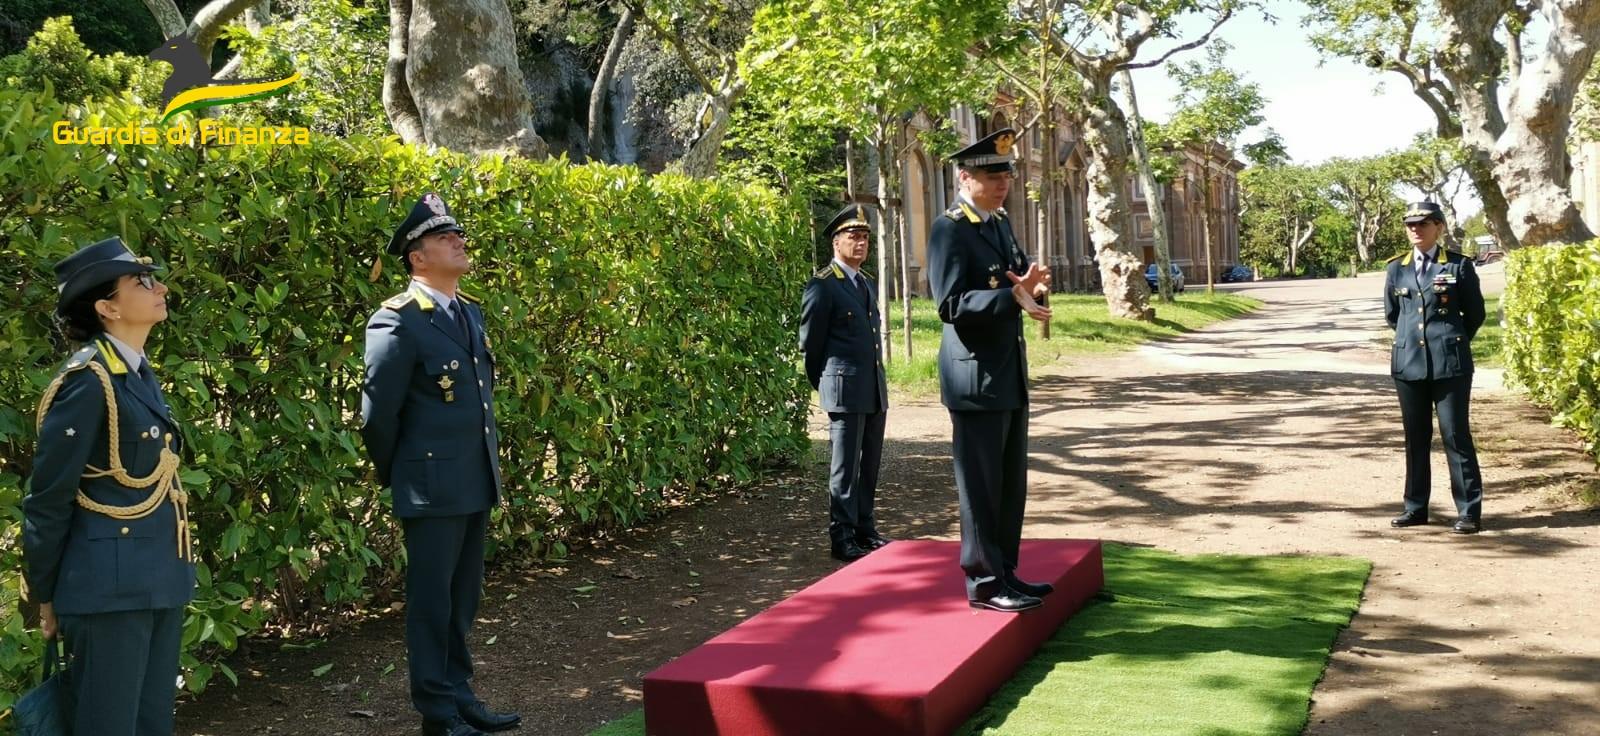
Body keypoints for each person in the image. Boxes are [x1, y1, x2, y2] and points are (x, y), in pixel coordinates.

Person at [22, 236, 196, 735]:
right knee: (109, 725)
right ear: (107, 308)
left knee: (150, 723)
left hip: (156, 578)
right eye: (141, 281)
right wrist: (44, 595)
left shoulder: (134, 372)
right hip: (107, 587)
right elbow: (49, 498)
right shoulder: (87, 380)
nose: (159, 287)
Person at [361, 193, 521, 736]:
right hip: (429, 486)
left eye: (458, 234)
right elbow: (378, 414)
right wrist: (403, 474)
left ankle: (460, 695)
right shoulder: (398, 321)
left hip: (473, 480)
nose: (459, 241)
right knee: (431, 605)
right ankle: (437, 711)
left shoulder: (467, 311)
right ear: (417, 257)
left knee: (462, 600)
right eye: (443, 237)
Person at [926, 128, 1055, 613]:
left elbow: (1018, 280)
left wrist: (1033, 288)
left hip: (1007, 373)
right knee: (980, 487)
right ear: (964, 177)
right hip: (974, 378)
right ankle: (983, 583)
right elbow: (949, 303)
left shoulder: (998, 223)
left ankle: (1007, 573)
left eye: (1006, 175)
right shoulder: (950, 228)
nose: (1002, 184)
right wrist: (1012, 296)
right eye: (990, 175)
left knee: (1008, 483)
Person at [1383, 201, 1487, 534]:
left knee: (1456, 435)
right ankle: (1415, 508)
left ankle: (1468, 511)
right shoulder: (1395, 268)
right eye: (1410, 224)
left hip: (1450, 365)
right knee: (1415, 438)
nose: (1415, 229)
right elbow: (1393, 316)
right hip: (1408, 364)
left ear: (1439, 227)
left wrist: (1450, 340)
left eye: (1423, 224)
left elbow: (1475, 315)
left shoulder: (1458, 266)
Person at [800, 204, 892, 562]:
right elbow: (812, 346)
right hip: (843, 390)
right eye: (853, 237)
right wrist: (827, 384)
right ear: (836, 242)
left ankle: (865, 528)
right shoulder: (823, 285)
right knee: (844, 468)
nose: (861, 243)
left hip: (872, 389)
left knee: (869, 465)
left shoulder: (865, 282)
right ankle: (841, 536)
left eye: (865, 237)